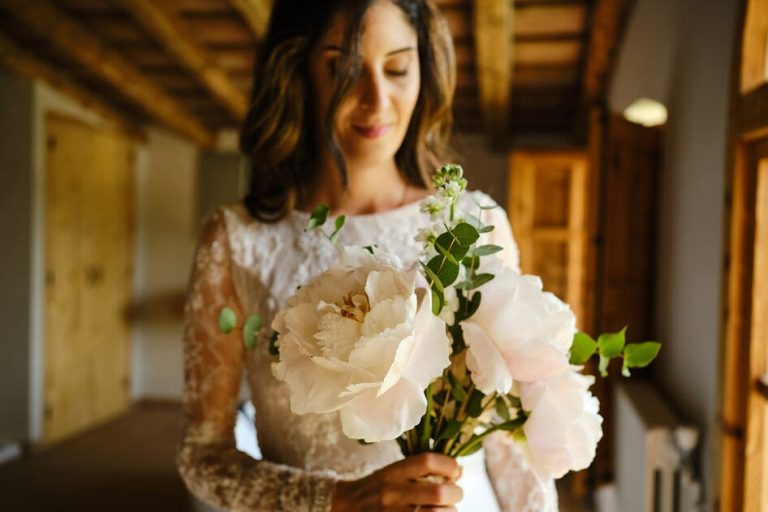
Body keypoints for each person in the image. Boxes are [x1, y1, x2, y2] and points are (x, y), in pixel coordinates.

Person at [177, 0, 558, 510]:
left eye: (398, 68)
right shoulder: (236, 241)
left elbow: (514, 445)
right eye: (345, 70)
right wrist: (334, 499)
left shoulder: (475, 224)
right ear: (299, 73)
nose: (377, 99)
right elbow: (203, 455)